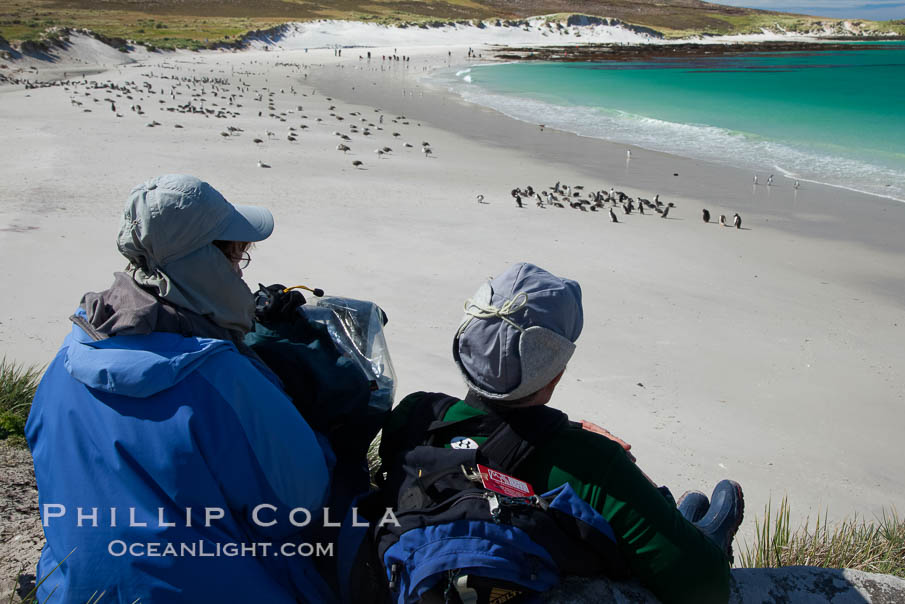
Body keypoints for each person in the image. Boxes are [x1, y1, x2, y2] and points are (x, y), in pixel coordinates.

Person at [26, 174, 338, 603]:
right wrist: (321, 431)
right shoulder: (221, 377)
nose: (239, 270)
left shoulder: (67, 357)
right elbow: (302, 506)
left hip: (73, 591)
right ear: (203, 264)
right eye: (235, 256)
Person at [378, 263, 742, 604]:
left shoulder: (415, 415)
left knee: (681, 510)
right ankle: (694, 527)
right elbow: (706, 588)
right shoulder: (593, 464)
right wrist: (627, 472)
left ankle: (675, 516)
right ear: (555, 374)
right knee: (698, 527)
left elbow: (484, 440)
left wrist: (567, 431)